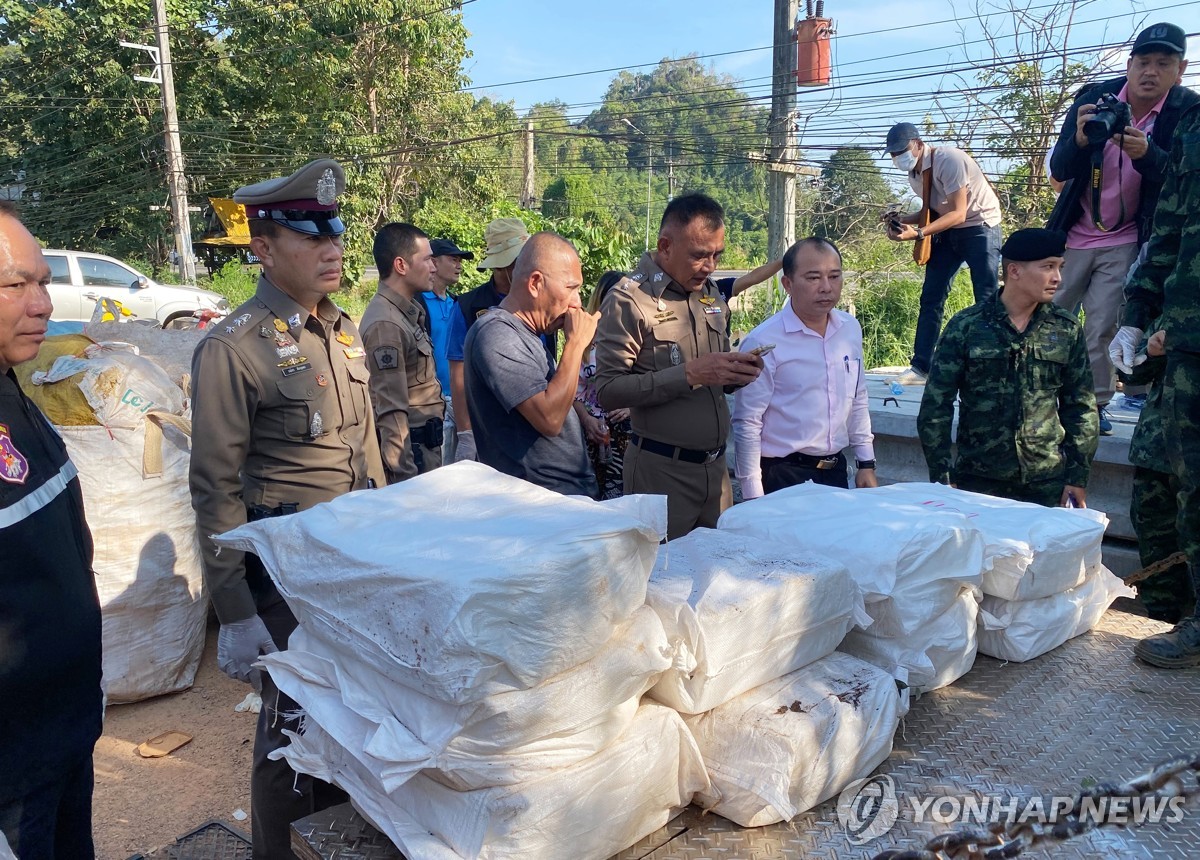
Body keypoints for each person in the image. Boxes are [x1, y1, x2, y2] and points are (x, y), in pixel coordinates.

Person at [188, 159, 385, 859]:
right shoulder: (233, 348)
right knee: (291, 742)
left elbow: (366, 453)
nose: (333, 247)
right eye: (311, 235)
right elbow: (214, 487)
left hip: (358, 570)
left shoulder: (341, 331)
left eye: (334, 231)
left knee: (355, 730)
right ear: (264, 249)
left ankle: (333, 847)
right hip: (288, 585)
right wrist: (236, 614)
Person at [0, 201, 103, 859]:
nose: (41, 303)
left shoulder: (16, 394)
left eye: (42, 281)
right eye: (16, 285)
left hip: (66, 730)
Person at [1048, 23, 1196, 435]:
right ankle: (1038, 396)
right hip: (1075, 232)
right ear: (1129, 65)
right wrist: (1079, 141)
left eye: (1163, 64)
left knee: (1101, 325)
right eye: (1143, 62)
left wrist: (1148, 155)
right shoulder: (1095, 98)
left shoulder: (1187, 112)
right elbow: (1059, 168)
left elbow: (1184, 184)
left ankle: (1091, 407)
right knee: (1049, 318)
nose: (1151, 71)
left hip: (1129, 236)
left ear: (1180, 70)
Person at [594, 193, 764, 538]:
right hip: (661, 475)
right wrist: (689, 374)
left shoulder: (710, 293)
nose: (711, 266)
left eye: (718, 254)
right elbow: (608, 391)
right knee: (659, 584)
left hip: (716, 474)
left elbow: (713, 380)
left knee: (719, 577)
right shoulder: (630, 300)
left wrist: (737, 373)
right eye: (700, 255)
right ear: (665, 246)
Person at [918, 228, 1098, 508]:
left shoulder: (1066, 328)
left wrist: (1077, 476)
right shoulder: (967, 326)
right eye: (1048, 267)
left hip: (1046, 482)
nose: (1057, 278)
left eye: (1060, 267)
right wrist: (942, 476)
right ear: (1014, 271)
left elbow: (1082, 406)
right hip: (977, 482)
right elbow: (936, 405)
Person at [1112, 96, 1200, 668]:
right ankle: (1170, 606)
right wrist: (1137, 314)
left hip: (1188, 337)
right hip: (1178, 353)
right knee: (1156, 477)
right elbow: (1168, 230)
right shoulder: (1194, 129)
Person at [733, 237, 877, 498]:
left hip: (835, 471)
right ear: (787, 284)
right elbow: (748, 421)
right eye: (813, 278)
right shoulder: (764, 341)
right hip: (784, 475)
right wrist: (753, 494)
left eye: (834, 276)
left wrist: (866, 462)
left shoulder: (849, 329)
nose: (826, 288)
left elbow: (857, 398)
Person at [463, 232, 598, 496]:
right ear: (535, 283)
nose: (577, 302)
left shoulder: (532, 334)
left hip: (562, 497)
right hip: (539, 501)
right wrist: (575, 344)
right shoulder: (496, 333)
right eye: (571, 288)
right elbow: (549, 418)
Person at [881, 121, 1003, 385]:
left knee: (986, 297)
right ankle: (921, 367)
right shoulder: (914, 174)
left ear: (919, 144)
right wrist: (902, 220)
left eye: (902, 150)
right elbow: (934, 212)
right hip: (948, 229)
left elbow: (958, 212)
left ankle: (990, 366)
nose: (898, 157)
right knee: (931, 297)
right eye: (893, 154)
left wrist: (920, 233)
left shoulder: (948, 159)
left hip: (979, 225)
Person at [1119, 326, 1193, 623]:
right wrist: (1149, 352)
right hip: (1158, 449)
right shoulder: (1177, 300)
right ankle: (1161, 621)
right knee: (1156, 539)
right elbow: (1131, 376)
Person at [361, 223, 443, 482]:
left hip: (424, 451)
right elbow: (391, 412)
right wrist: (405, 481)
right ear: (401, 265)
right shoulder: (386, 324)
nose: (434, 267)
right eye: (428, 259)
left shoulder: (404, 313)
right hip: (411, 461)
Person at [447, 218, 531, 463]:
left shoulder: (539, 301)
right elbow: (458, 373)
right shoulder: (468, 306)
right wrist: (465, 433)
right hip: (483, 425)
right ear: (500, 266)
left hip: (528, 423)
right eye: (518, 261)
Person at [574, 270, 632, 499]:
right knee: (592, 500)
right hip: (591, 434)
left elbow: (655, 386)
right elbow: (571, 392)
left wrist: (633, 409)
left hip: (629, 436)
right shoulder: (584, 338)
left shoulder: (640, 335)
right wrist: (588, 420)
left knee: (628, 501)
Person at [423, 238, 472, 462]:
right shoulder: (417, 303)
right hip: (433, 402)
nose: (459, 265)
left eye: (460, 260)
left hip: (460, 400)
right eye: (453, 259)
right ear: (433, 261)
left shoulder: (457, 303)